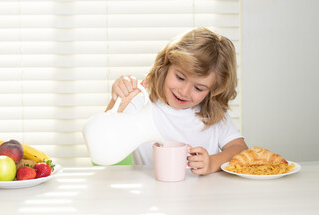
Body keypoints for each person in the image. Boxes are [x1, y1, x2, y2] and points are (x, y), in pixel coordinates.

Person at [105, 27, 248, 175]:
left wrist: (213, 162)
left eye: (198, 88)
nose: (184, 92)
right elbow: (103, 142)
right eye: (180, 77)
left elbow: (240, 149)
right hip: (151, 195)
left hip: (203, 197)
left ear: (214, 91)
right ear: (165, 66)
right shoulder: (140, 105)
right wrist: (118, 102)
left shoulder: (213, 115)